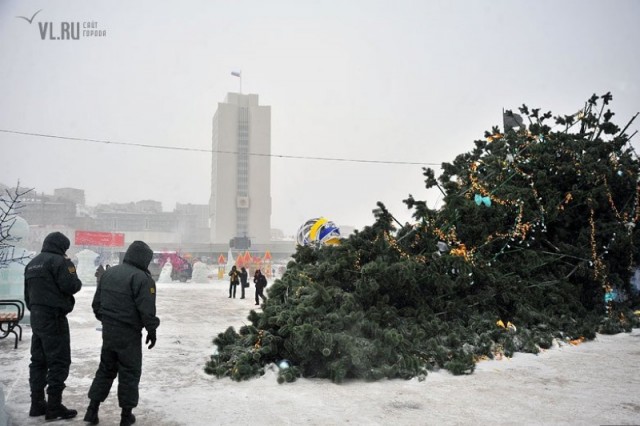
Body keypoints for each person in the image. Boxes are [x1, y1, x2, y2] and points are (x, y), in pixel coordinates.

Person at [83, 240, 160, 426]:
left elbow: (96, 304)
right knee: (129, 372)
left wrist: (109, 321)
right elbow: (146, 310)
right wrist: (151, 329)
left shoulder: (109, 273)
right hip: (129, 334)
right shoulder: (142, 279)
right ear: (143, 259)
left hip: (109, 333)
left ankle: (92, 410)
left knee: (105, 369)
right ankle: (126, 416)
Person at [24, 231, 83, 420]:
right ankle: (54, 406)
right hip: (54, 316)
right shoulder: (60, 262)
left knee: (38, 361)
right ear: (61, 247)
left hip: (37, 316)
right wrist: (72, 270)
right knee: (59, 361)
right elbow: (71, 286)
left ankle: (37, 403)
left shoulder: (32, 264)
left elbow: (27, 294)